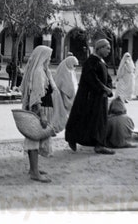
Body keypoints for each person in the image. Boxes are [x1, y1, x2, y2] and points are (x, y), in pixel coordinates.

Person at [65, 38, 115, 155]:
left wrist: (108, 87)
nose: (109, 51)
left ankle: (99, 144)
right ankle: (75, 138)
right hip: (90, 98)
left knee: (99, 121)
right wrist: (104, 88)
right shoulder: (91, 62)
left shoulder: (101, 61)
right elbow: (92, 79)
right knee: (85, 119)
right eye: (107, 48)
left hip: (100, 97)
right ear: (100, 48)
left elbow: (107, 78)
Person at [19, 45, 58, 183]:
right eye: (48, 56)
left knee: (34, 139)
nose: (50, 59)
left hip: (42, 109)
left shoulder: (42, 71)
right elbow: (36, 96)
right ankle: (35, 172)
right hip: (39, 111)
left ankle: (33, 169)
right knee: (34, 140)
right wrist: (42, 114)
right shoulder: (39, 72)